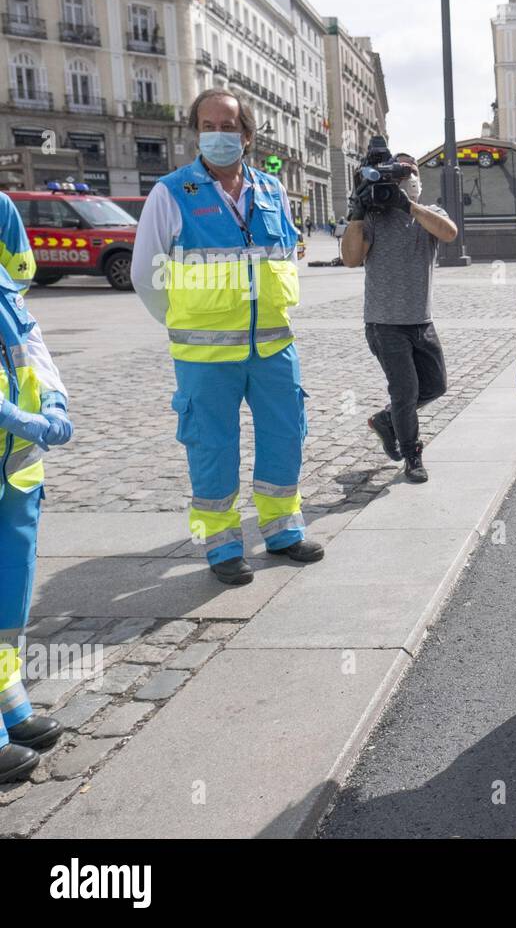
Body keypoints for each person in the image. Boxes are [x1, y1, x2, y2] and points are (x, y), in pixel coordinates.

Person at [131, 88, 321, 586]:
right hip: (204, 353)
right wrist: (184, 323)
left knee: (286, 435)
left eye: (228, 126)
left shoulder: (272, 190)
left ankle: (282, 529)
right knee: (212, 447)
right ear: (196, 132)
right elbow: (145, 275)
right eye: (208, 126)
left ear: (247, 135)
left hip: (275, 346)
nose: (218, 135)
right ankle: (221, 546)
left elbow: (283, 258)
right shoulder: (170, 193)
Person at [0, 190, 73, 782]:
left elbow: (30, 340)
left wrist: (52, 399)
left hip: (16, 468)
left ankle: (6, 698)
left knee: (9, 593)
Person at [341, 151, 457, 483]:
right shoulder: (374, 218)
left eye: (411, 171)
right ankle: (412, 455)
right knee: (405, 391)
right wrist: (357, 213)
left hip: (421, 320)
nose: (406, 178)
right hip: (384, 323)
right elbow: (350, 258)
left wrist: (408, 205)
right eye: (398, 173)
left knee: (435, 385)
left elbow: (449, 233)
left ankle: (386, 420)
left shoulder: (429, 213)